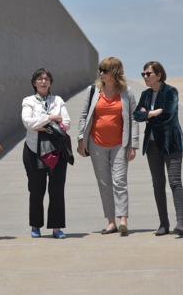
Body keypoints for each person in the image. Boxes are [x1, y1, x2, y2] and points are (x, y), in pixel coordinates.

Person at [76, 57, 139, 237]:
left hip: (120, 144)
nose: (101, 73)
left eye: (105, 70)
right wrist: (81, 139)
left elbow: (134, 119)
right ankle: (111, 222)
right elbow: (83, 116)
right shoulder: (93, 91)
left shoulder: (127, 93)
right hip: (96, 144)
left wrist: (133, 145)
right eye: (100, 70)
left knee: (120, 182)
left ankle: (123, 220)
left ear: (115, 73)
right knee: (104, 183)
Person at [133, 61, 183, 236]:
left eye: (148, 74)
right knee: (158, 184)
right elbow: (136, 115)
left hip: (171, 143)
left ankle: (180, 223)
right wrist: (152, 113)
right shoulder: (145, 94)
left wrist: (148, 114)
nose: (145, 77)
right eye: (143, 74)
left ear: (159, 75)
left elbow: (168, 115)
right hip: (152, 145)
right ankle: (163, 223)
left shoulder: (171, 92)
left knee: (175, 182)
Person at [21, 68, 72, 239]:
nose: (43, 82)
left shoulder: (58, 100)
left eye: (47, 79)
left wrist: (42, 124)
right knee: (36, 189)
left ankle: (57, 227)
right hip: (33, 149)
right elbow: (28, 122)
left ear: (50, 82)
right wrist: (51, 118)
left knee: (57, 189)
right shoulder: (28, 101)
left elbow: (66, 122)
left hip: (57, 150)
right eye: (40, 79)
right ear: (34, 82)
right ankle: (36, 226)